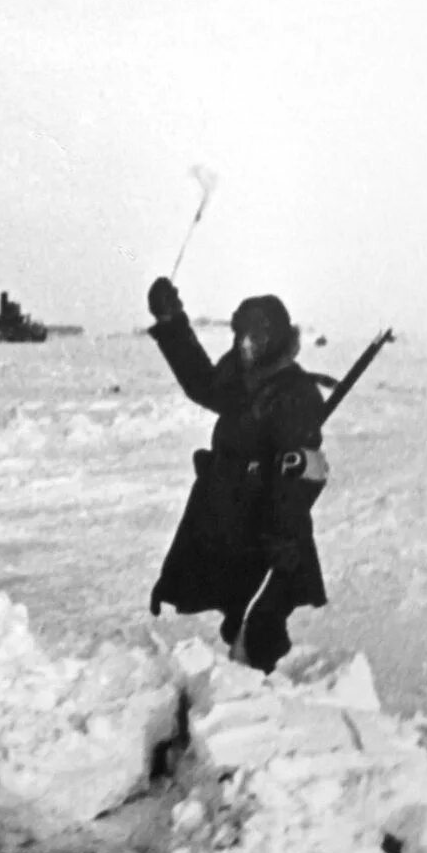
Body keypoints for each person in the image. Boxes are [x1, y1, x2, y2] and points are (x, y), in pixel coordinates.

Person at [145, 277, 328, 673]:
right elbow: (201, 383)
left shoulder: (294, 393)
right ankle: (242, 688)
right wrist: (171, 320)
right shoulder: (243, 379)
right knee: (233, 601)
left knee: (263, 613)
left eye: (256, 335)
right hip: (230, 514)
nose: (246, 343)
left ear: (275, 337)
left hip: (271, 521)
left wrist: (282, 534)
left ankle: (260, 705)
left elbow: (302, 474)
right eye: (240, 333)